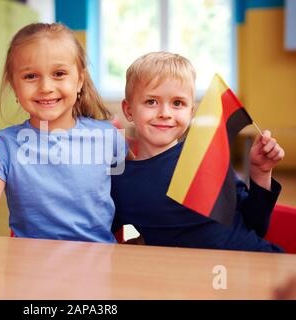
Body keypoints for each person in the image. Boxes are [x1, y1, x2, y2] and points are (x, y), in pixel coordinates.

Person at [0, 23, 126, 242]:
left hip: (98, 266)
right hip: (28, 268)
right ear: (14, 85)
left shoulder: (109, 137)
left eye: (59, 73)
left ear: (79, 80)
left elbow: (133, 204)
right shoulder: (1, 146)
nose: (45, 87)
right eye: (30, 76)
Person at [111, 51, 286, 252]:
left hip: (256, 262)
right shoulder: (119, 180)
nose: (165, 114)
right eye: (151, 102)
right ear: (128, 110)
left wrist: (261, 173)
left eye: (177, 103)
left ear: (191, 111)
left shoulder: (205, 156)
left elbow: (255, 224)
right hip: (191, 279)